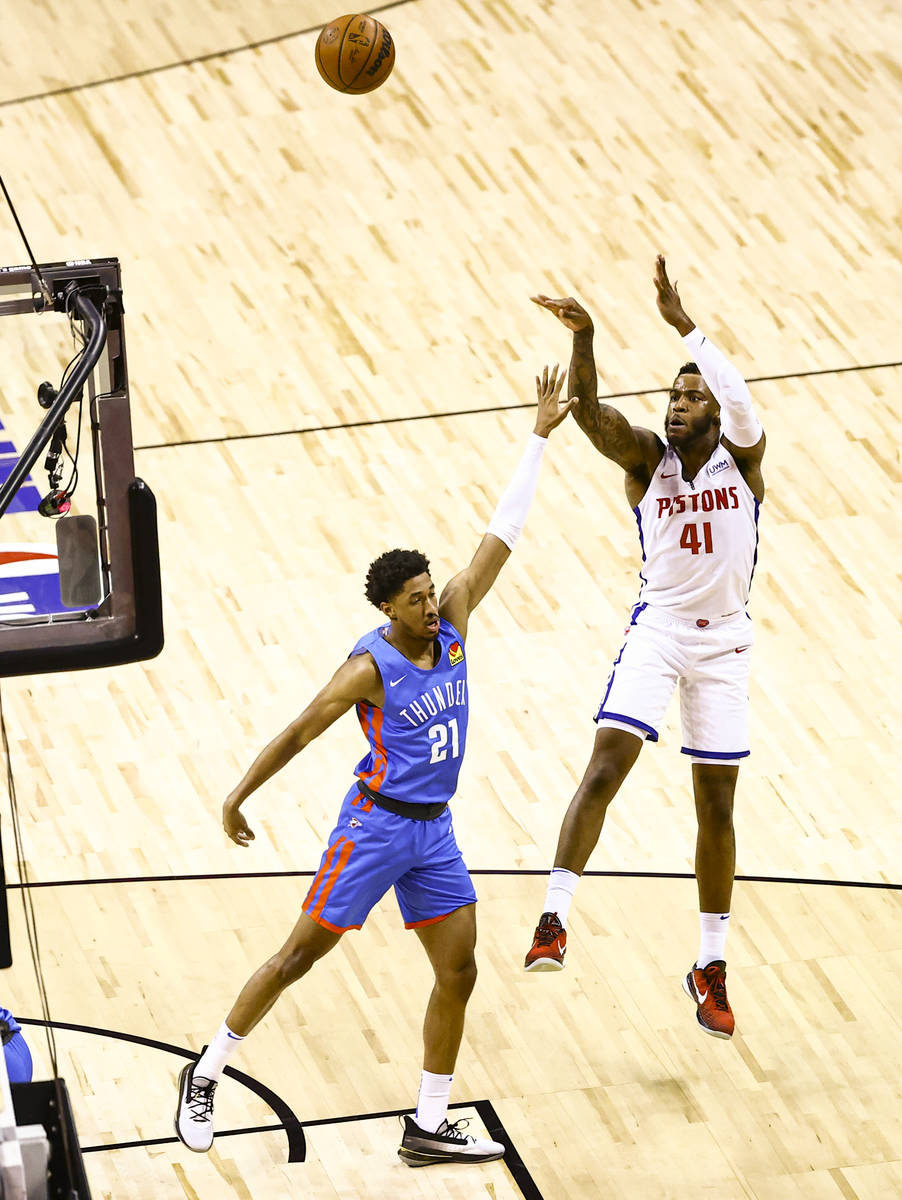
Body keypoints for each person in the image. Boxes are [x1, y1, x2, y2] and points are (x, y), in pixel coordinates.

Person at [175, 366, 577, 1165]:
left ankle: (428, 1125)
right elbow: (299, 732)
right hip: (375, 828)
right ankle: (207, 1068)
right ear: (388, 610)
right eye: (418, 600)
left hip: (435, 834)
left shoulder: (457, 622)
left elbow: (504, 535)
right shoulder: (369, 668)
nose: (433, 605)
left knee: (458, 971)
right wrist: (237, 795)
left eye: (434, 592)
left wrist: (537, 434)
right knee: (298, 958)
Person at [523, 256, 766, 1040]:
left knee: (717, 806)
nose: (678, 404)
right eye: (673, 393)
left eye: (692, 397)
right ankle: (555, 916)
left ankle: (710, 965)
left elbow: (740, 397)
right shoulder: (647, 463)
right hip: (658, 631)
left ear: (716, 416)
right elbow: (594, 413)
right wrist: (588, 335)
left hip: (725, 645)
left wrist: (685, 326)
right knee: (604, 767)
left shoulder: (745, 461)